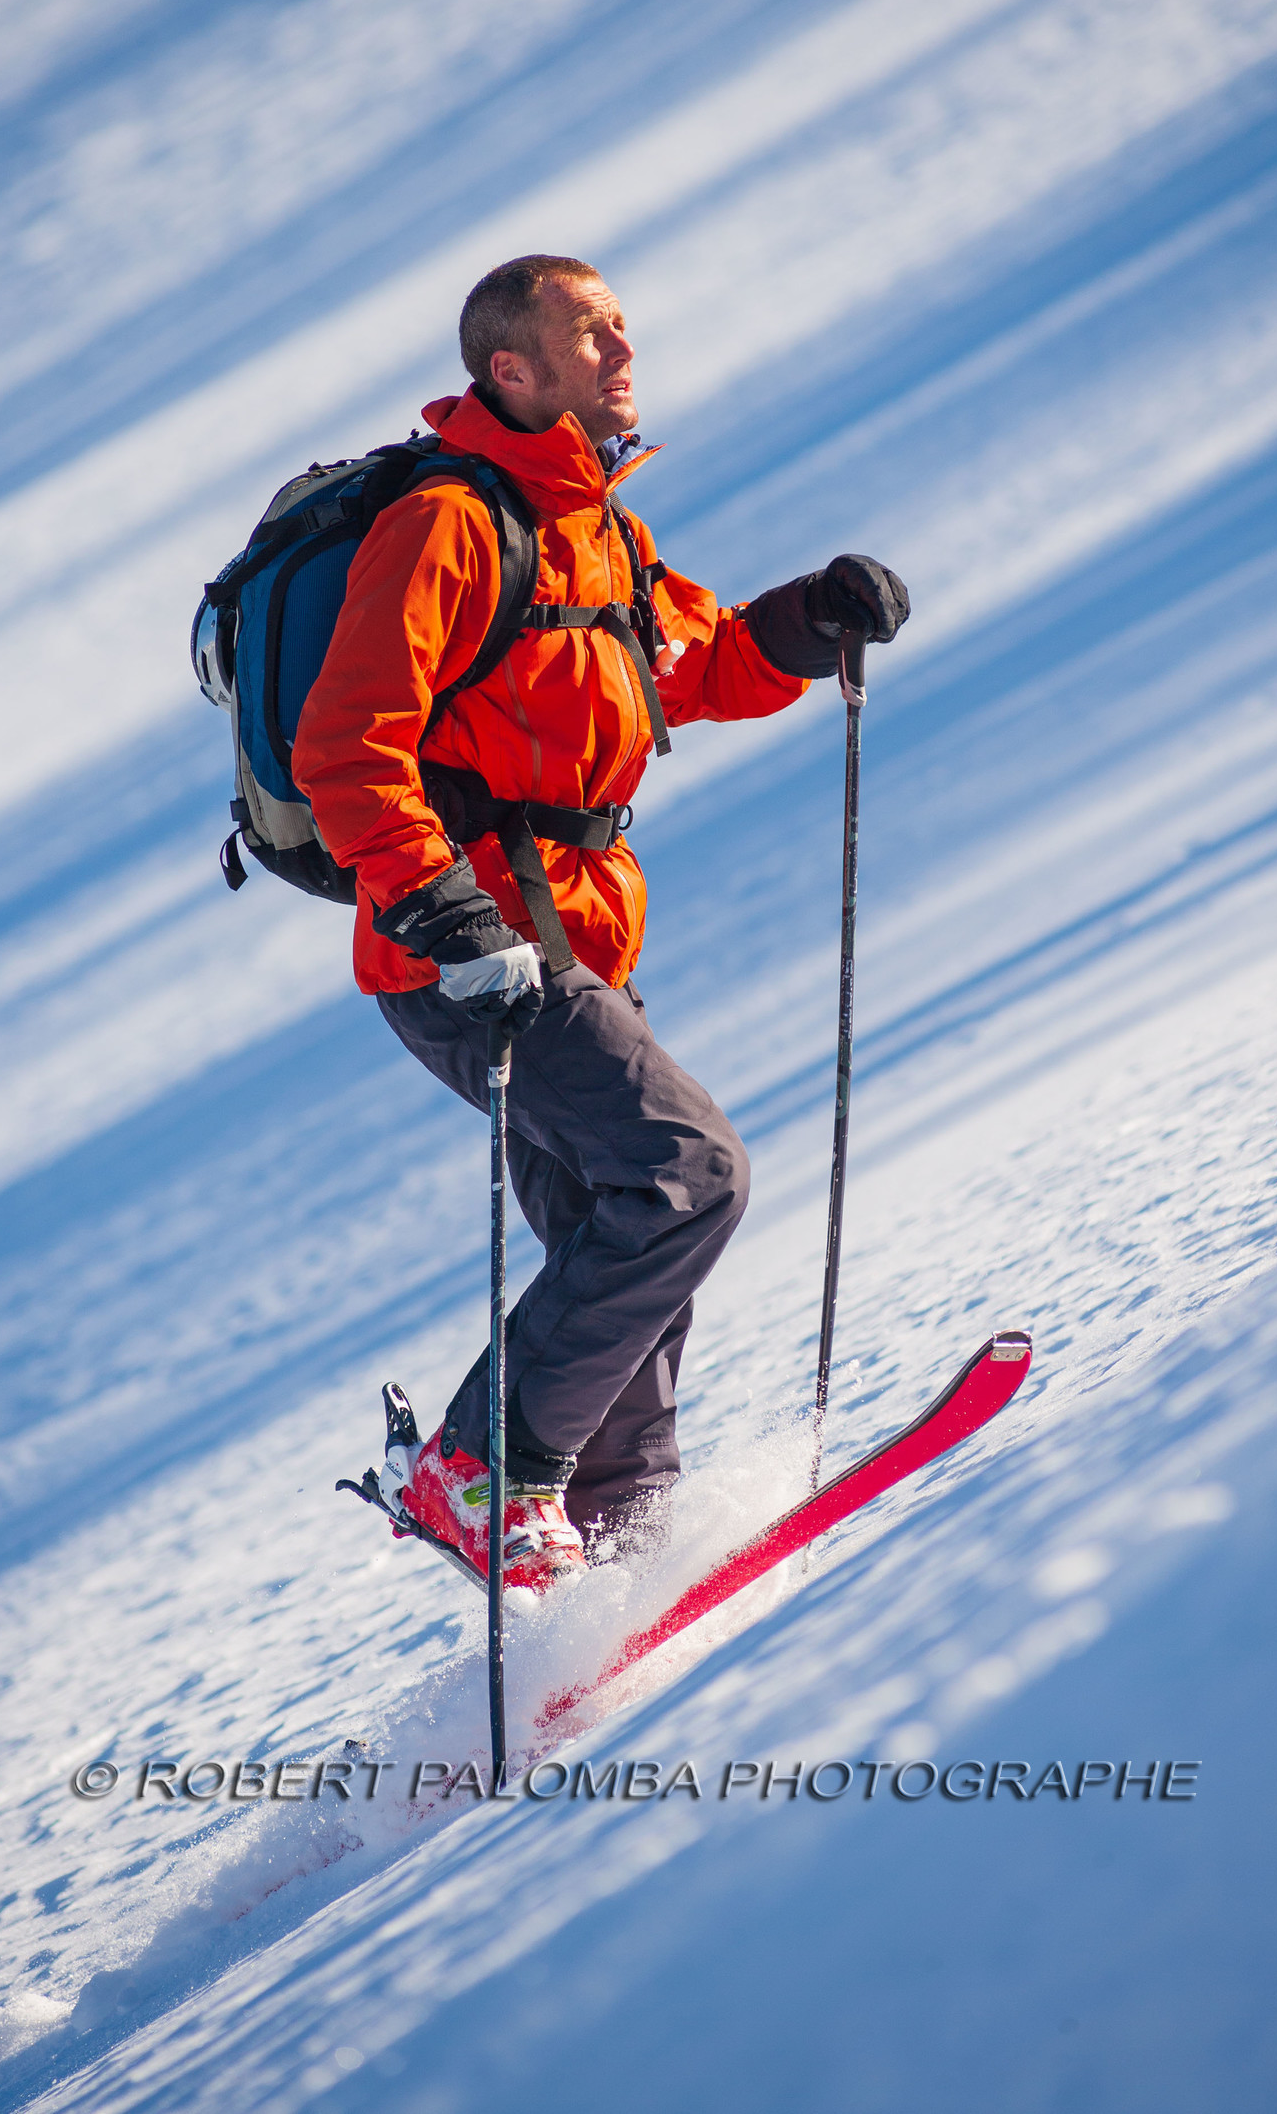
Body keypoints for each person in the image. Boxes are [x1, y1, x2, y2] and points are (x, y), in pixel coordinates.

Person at [292, 255, 907, 1590]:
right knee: (690, 1177)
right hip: (462, 949)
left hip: (568, 943)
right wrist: (448, 913)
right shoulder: (451, 523)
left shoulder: (595, 527)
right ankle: (482, 1467)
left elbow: (692, 670)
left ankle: (621, 1563)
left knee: (615, 1239)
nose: (623, 343)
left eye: (623, 322)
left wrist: (813, 620)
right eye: (591, 328)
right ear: (514, 370)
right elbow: (350, 742)